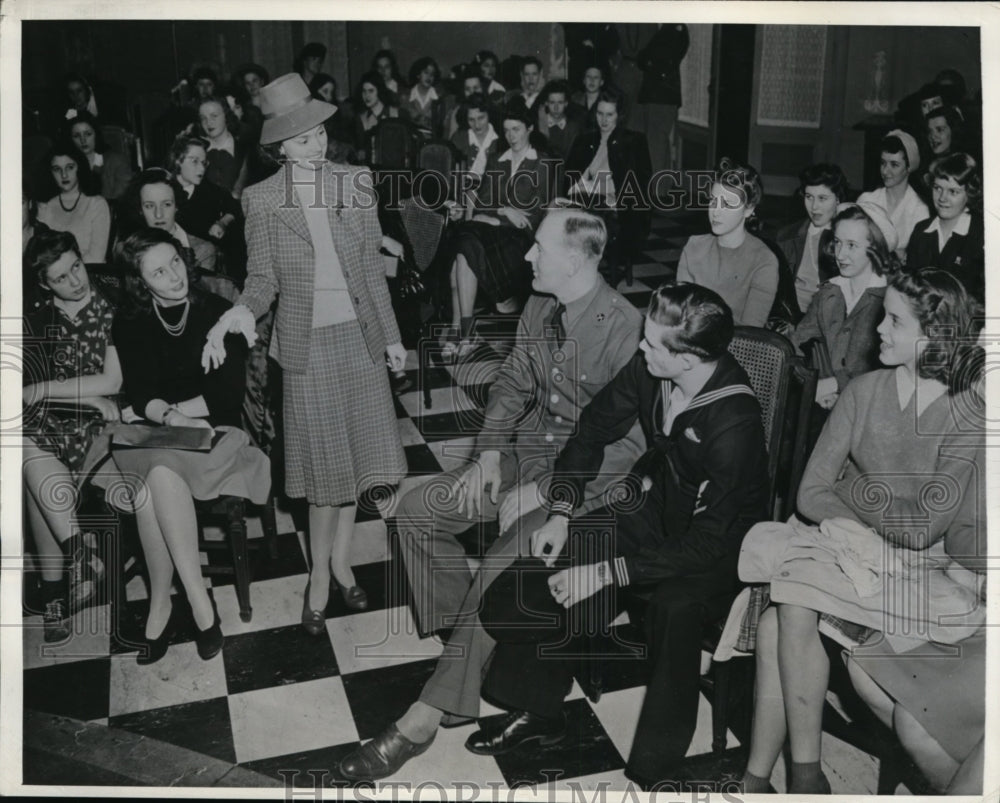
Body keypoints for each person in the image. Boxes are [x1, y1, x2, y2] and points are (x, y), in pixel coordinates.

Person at [338, 208, 646, 782]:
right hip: (521, 461)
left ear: (577, 260)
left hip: (578, 492)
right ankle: (473, 656)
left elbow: (627, 452)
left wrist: (546, 491)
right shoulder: (539, 304)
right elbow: (511, 382)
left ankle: (426, 716)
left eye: (538, 249)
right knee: (414, 512)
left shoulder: (624, 329)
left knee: (500, 562)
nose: (526, 257)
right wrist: (487, 452)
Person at [467, 282, 769, 787]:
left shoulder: (735, 422)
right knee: (512, 597)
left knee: (675, 607)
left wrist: (606, 572)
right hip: (653, 512)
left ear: (690, 360)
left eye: (653, 344)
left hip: (717, 547)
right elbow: (593, 429)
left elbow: (707, 543)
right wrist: (562, 512)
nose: (641, 347)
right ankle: (542, 709)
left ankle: (657, 767)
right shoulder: (652, 366)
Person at [739, 268, 985, 795]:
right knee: (793, 597)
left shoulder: (967, 412)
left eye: (894, 320)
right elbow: (809, 492)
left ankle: (770, 777)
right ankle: (799, 776)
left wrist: (851, 496)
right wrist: (865, 521)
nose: (878, 330)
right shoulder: (864, 390)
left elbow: (924, 529)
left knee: (780, 617)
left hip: (916, 566)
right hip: (845, 544)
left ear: (934, 333)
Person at [202, 73, 407, 619]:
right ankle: (320, 576)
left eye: (318, 133)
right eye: (300, 139)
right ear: (277, 149)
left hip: (359, 340)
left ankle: (341, 564)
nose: (315, 145)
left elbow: (369, 270)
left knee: (356, 466)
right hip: (306, 346)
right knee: (323, 477)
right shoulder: (262, 199)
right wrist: (242, 310)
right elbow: (263, 277)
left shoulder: (356, 183)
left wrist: (391, 337)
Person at [96, 228, 270, 663]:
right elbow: (139, 393)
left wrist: (167, 411)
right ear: (141, 281)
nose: (173, 275)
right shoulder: (131, 319)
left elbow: (225, 398)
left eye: (175, 261)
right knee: (157, 472)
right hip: (159, 433)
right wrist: (173, 415)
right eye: (158, 271)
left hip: (215, 435)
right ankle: (197, 604)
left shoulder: (218, 311)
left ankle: (169, 602)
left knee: (154, 478)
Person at [22, 230, 121, 640]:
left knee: (31, 468)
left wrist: (52, 391)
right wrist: (79, 395)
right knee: (26, 444)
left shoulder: (114, 303)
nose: (76, 281)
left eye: (77, 267)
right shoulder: (38, 316)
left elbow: (113, 380)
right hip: (59, 421)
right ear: (45, 283)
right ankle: (77, 552)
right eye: (61, 278)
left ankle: (55, 592)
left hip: (105, 423)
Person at [440, 102, 553, 359]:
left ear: (530, 129)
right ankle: (465, 332)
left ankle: (459, 329)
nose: (511, 136)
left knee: (464, 244)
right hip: (486, 233)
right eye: (507, 130)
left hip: (519, 241)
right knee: (465, 249)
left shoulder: (542, 163)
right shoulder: (496, 160)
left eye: (517, 129)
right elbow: (483, 204)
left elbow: (536, 215)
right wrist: (505, 210)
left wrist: (499, 217)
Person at [793, 202, 898, 410]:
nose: (840, 255)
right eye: (838, 242)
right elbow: (797, 343)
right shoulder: (829, 292)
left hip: (873, 405)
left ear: (875, 247)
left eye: (851, 245)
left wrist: (835, 386)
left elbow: (888, 371)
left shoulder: (893, 298)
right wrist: (806, 382)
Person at [676, 158, 777, 327]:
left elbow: (751, 332)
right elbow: (680, 313)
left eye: (728, 204)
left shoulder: (764, 260)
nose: (716, 212)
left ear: (749, 209)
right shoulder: (694, 246)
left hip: (738, 347)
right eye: (713, 201)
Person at [563, 90, 652, 281]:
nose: (603, 120)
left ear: (619, 116)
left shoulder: (633, 142)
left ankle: (585, 277)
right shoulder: (585, 139)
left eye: (609, 114)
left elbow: (640, 184)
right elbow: (569, 179)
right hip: (585, 202)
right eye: (600, 113)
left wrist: (617, 196)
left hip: (616, 208)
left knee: (583, 220)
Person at [773, 163, 846, 329]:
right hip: (791, 321)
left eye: (822, 198)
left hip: (831, 324)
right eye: (809, 197)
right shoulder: (786, 236)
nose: (814, 207)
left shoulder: (848, 240)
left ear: (838, 199)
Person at [906, 152, 983, 303]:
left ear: (969, 192)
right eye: (937, 188)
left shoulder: (980, 233)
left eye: (953, 191)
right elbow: (910, 287)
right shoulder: (921, 231)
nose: (942, 198)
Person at [169, 133, 244, 272]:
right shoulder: (163, 188)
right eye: (194, 161)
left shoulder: (210, 190)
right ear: (178, 161)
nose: (202, 168)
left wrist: (222, 223)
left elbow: (235, 207)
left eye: (204, 162)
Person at [121, 168, 218, 272]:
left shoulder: (202, 251)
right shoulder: (128, 249)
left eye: (167, 204)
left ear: (176, 206)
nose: (158, 214)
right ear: (140, 209)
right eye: (149, 206)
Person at [857, 130, 929, 259]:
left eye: (894, 165)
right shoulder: (866, 200)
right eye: (883, 163)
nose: (885, 171)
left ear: (909, 167)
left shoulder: (919, 211)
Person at [36, 143, 111, 264]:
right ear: (50, 172)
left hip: (90, 273)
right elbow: (41, 253)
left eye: (70, 167)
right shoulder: (45, 205)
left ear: (79, 168)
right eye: (57, 169)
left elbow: (97, 258)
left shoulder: (96, 203)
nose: (64, 175)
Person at [635, 23, 690, 173]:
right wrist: (647, 59)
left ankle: (656, 192)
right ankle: (661, 190)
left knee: (655, 146)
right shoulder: (667, 27)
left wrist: (648, 59)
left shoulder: (675, 28)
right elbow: (644, 59)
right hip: (659, 96)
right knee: (658, 144)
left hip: (661, 97)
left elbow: (656, 59)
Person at [65, 109, 134, 202]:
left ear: (96, 135)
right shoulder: (66, 166)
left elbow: (122, 201)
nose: (83, 140)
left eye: (88, 134)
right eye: (77, 136)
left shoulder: (117, 161)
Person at [196, 96, 248, 199]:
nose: (208, 123)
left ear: (226, 116)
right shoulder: (195, 151)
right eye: (203, 118)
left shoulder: (245, 149)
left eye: (214, 116)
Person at [449, 92, 500, 177]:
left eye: (481, 118)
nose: (477, 125)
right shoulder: (459, 138)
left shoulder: (501, 140)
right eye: (471, 120)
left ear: (489, 115)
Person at [354, 71, 401, 161]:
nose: (367, 96)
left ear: (379, 91)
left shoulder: (397, 113)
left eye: (371, 91)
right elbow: (361, 148)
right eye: (364, 91)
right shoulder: (361, 118)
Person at [535, 79, 583, 161]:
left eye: (560, 102)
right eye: (552, 102)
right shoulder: (538, 125)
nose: (556, 108)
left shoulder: (574, 127)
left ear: (566, 103)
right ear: (546, 103)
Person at [405, 57, 444, 138]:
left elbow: (440, 128)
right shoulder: (405, 97)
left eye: (432, 74)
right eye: (426, 72)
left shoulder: (439, 99)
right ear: (418, 74)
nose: (429, 77)